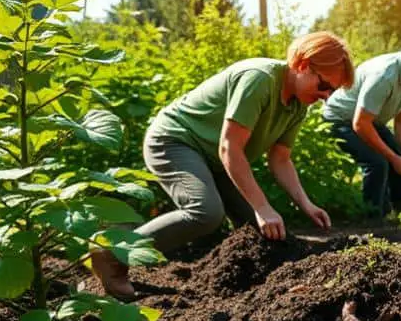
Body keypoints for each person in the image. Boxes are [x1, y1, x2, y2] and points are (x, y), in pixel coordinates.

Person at [91, 31, 355, 300]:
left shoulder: (298, 106)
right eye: (325, 86)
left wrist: (305, 203)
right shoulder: (260, 80)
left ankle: (255, 288)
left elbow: (281, 159)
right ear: (302, 65)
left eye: (332, 92)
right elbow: (230, 148)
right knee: (205, 212)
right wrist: (263, 206)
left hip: (216, 158)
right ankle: (112, 254)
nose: (326, 96)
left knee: (261, 228)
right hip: (176, 141)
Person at [321, 33, 401, 217]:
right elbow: (360, 123)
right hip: (339, 120)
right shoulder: (385, 75)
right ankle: (373, 219)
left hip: (367, 121)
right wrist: (393, 159)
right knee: (378, 163)